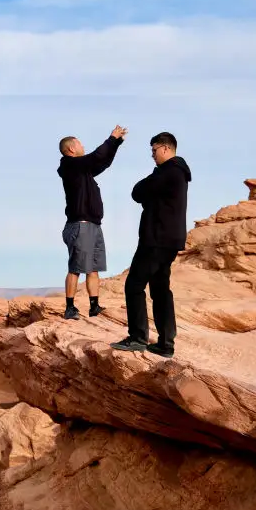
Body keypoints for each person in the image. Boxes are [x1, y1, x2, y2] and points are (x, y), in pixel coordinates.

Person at [111, 131, 192, 357]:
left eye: (154, 150)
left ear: (166, 148)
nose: (153, 156)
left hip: (156, 239)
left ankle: (138, 337)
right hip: (169, 240)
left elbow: (137, 192)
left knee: (134, 285)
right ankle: (166, 344)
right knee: (160, 290)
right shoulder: (178, 173)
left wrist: (150, 191)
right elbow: (143, 194)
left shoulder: (169, 171)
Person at [57, 125, 127, 320]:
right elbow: (96, 157)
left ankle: (94, 306)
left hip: (93, 225)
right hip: (80, 224)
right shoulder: (70, 166)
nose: (83, 145)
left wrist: (116, 143)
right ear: (71, 149)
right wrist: (111, 138)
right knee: (76, 267)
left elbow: (102, 163)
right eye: (79, 143)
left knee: (93, 268)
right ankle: (70, 308)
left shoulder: (82, 170)